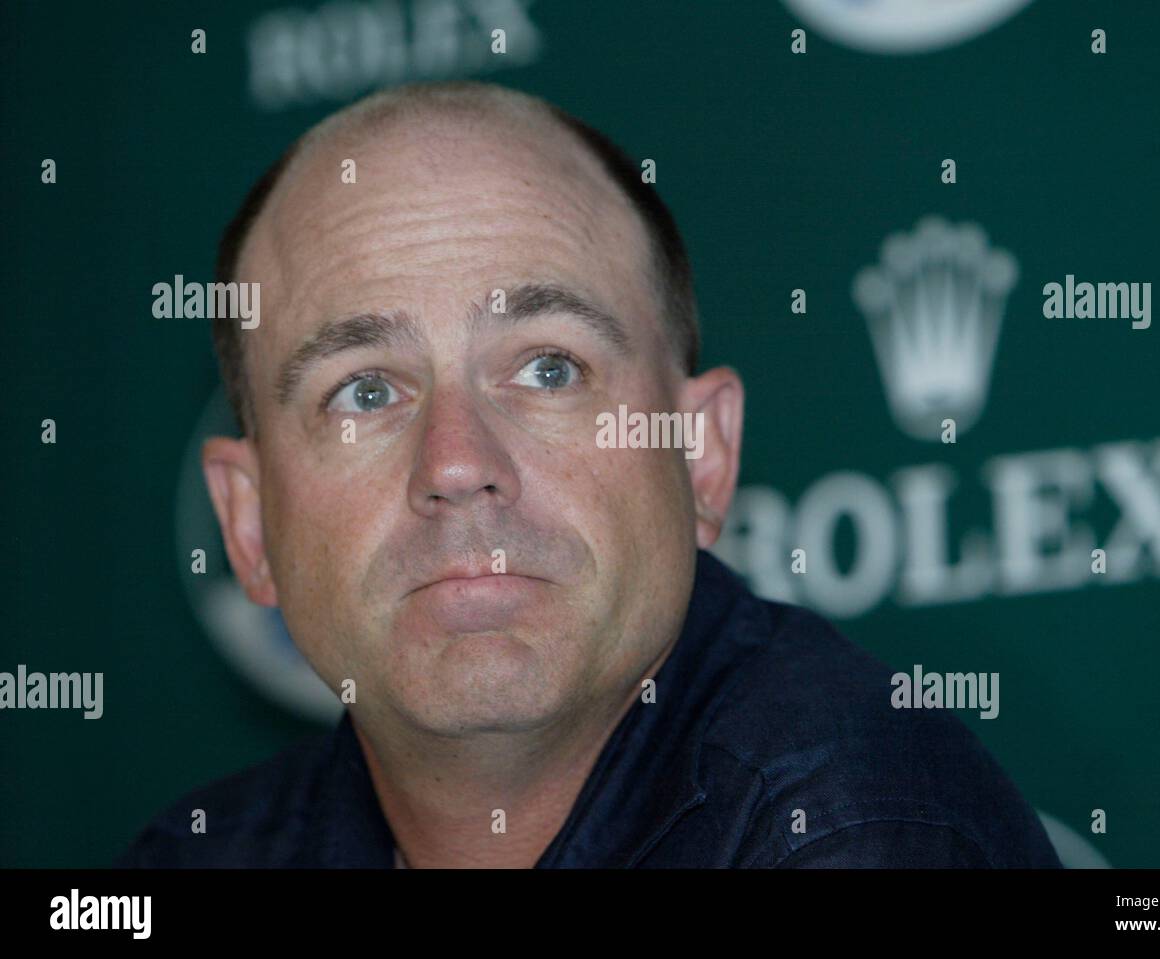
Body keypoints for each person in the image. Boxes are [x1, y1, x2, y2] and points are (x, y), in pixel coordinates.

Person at [115, 80, 1061, 868]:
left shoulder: (855, 835)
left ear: (701, 455)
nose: (454, 462)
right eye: (364, 392)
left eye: (548, 369)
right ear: (246, 523)